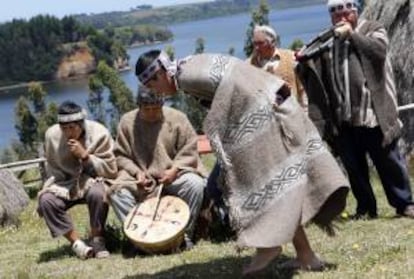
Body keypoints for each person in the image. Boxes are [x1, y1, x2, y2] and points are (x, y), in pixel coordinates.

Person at [135, 49, 349, 275]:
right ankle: (307, 256)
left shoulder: (188, 77)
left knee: (257, 186)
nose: (156, 93)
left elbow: (238, 83)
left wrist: (238, 138)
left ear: (159, 74)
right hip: (271, 110)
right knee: (283, 188)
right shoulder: (189, 66)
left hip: (264, 120)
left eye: (152, 86)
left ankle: (268, 245)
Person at [296, 0, 414, 219]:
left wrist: (352, 35)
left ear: (355, 11)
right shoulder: (328, 39)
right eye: (335, 13)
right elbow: (313, 70)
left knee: (388, 161)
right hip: (343, 115)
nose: (341, 16)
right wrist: (302, 61)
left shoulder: (373, 28)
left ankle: (404, 204)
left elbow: (378, 52)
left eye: (345, 11)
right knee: (355, 167)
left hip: (373, 112)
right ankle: (366, 208)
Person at [108, 89, 207, 251]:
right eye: (147, 109)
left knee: (194, 184)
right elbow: (120, 155)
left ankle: (182, 235)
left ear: (162, 105)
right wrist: (136, 173)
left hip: (175, 174)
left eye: (156, 109)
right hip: (141, 177)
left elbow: (190, 149)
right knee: (117, 193)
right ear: (139, 107)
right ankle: (141, 240)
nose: (152, 113)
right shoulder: (127, 121)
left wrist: (175, 169)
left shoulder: (177, 118)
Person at [37, 101, 117, 259]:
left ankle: (98, 240)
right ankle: (78, 244)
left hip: (94, 180)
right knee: (46, 200)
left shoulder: (99, 133)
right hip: (64, 184)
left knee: (98, 193)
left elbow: (111, 169)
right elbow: (52, 168)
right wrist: (59, 185)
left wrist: (86, 156)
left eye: (72, 127)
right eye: (64, 128)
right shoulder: (52, 136)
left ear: (82, 124)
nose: (68, 132)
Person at [247, 24, 307, 108]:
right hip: (265, 117)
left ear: (272, 42)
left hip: (291, 115)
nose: (256, 47)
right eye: (254, 43)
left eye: (260, 43)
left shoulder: (290, 58)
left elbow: (302, 90)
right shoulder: (248, 65)